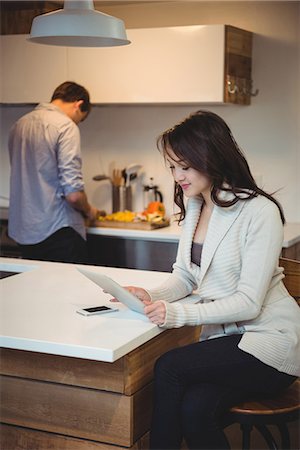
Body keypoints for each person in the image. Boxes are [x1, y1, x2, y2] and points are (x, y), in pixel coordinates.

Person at [116, 111, 300, 449]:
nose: (177, 176)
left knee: (170, 366)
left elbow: (249, 302)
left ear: (211, 158)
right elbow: (186, 276)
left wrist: (177, 315)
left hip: (269, 344)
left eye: (184, 166)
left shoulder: (259, 211)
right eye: (172, 167)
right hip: (229, 343)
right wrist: (150, 295)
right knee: (194, 410)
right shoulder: (196, 204)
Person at [8, 81, 102, 264]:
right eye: (80, 119)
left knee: (36, 291)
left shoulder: (19, 125)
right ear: (79, 104)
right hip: (57, 231)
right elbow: (73, 195)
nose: (77, 123)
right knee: (68, 291)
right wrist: (90, 211)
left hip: (24, 233)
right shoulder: (66, 126)